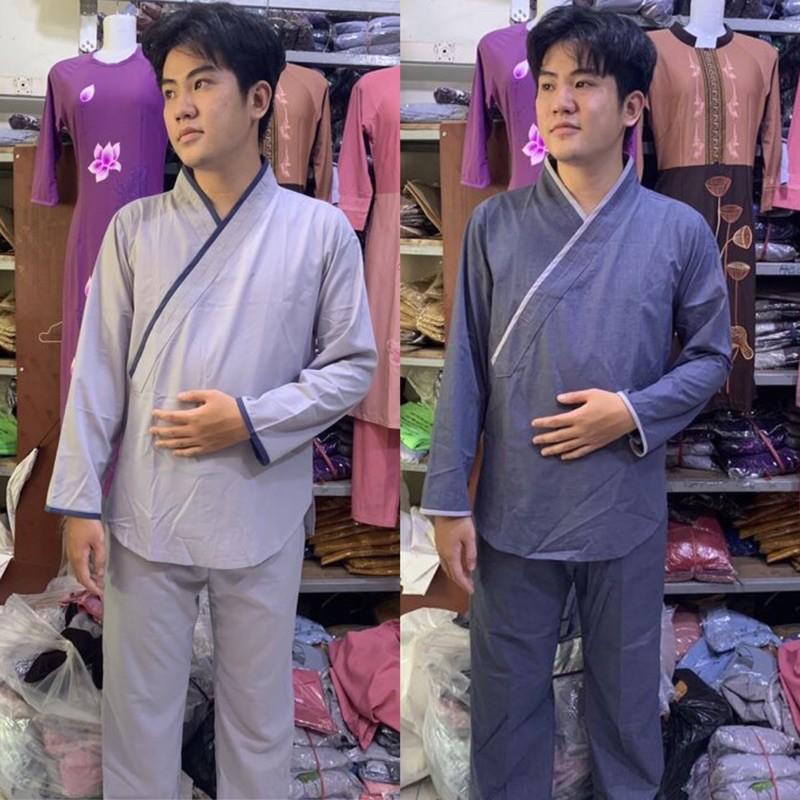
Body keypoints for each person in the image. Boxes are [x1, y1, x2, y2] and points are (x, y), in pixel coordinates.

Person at [45, 4, 377, 798]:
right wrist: (80, 501)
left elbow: (352, 367)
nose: (182, 107)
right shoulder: (134, 230)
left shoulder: (320, 231)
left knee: (259, 719)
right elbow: (96, 373)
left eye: (201, 84)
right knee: (138, 717)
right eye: (169, 91)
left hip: (259, 506)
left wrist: (249, 418)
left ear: (259, 99)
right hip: (149, 508)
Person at [420, 7, 732, 799]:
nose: (559, 101)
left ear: (631, 107)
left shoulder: (678, 231)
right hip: (516, 505)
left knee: (626, 694)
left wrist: (630, 413)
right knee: (506, 693)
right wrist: (447, 501)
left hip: (622, 502)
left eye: (584, 84)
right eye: (549, 84)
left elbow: (710, 358)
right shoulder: (494, 226)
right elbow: (464, 367)